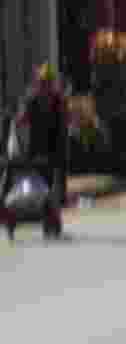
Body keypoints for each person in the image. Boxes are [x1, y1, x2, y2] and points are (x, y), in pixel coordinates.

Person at [1, 62, 67, 236]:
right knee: (28, 181)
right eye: (42, 82)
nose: (44, 85)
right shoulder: (32, 99)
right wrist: (13, 119)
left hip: (54, 151)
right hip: (35, 150)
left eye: (47, 82)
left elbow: (62, 126)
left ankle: (50, 216)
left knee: (51, 187)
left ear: (51, 83)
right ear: (37, 82)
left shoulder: (57, 100)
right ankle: (19, 211)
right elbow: (21, 119)